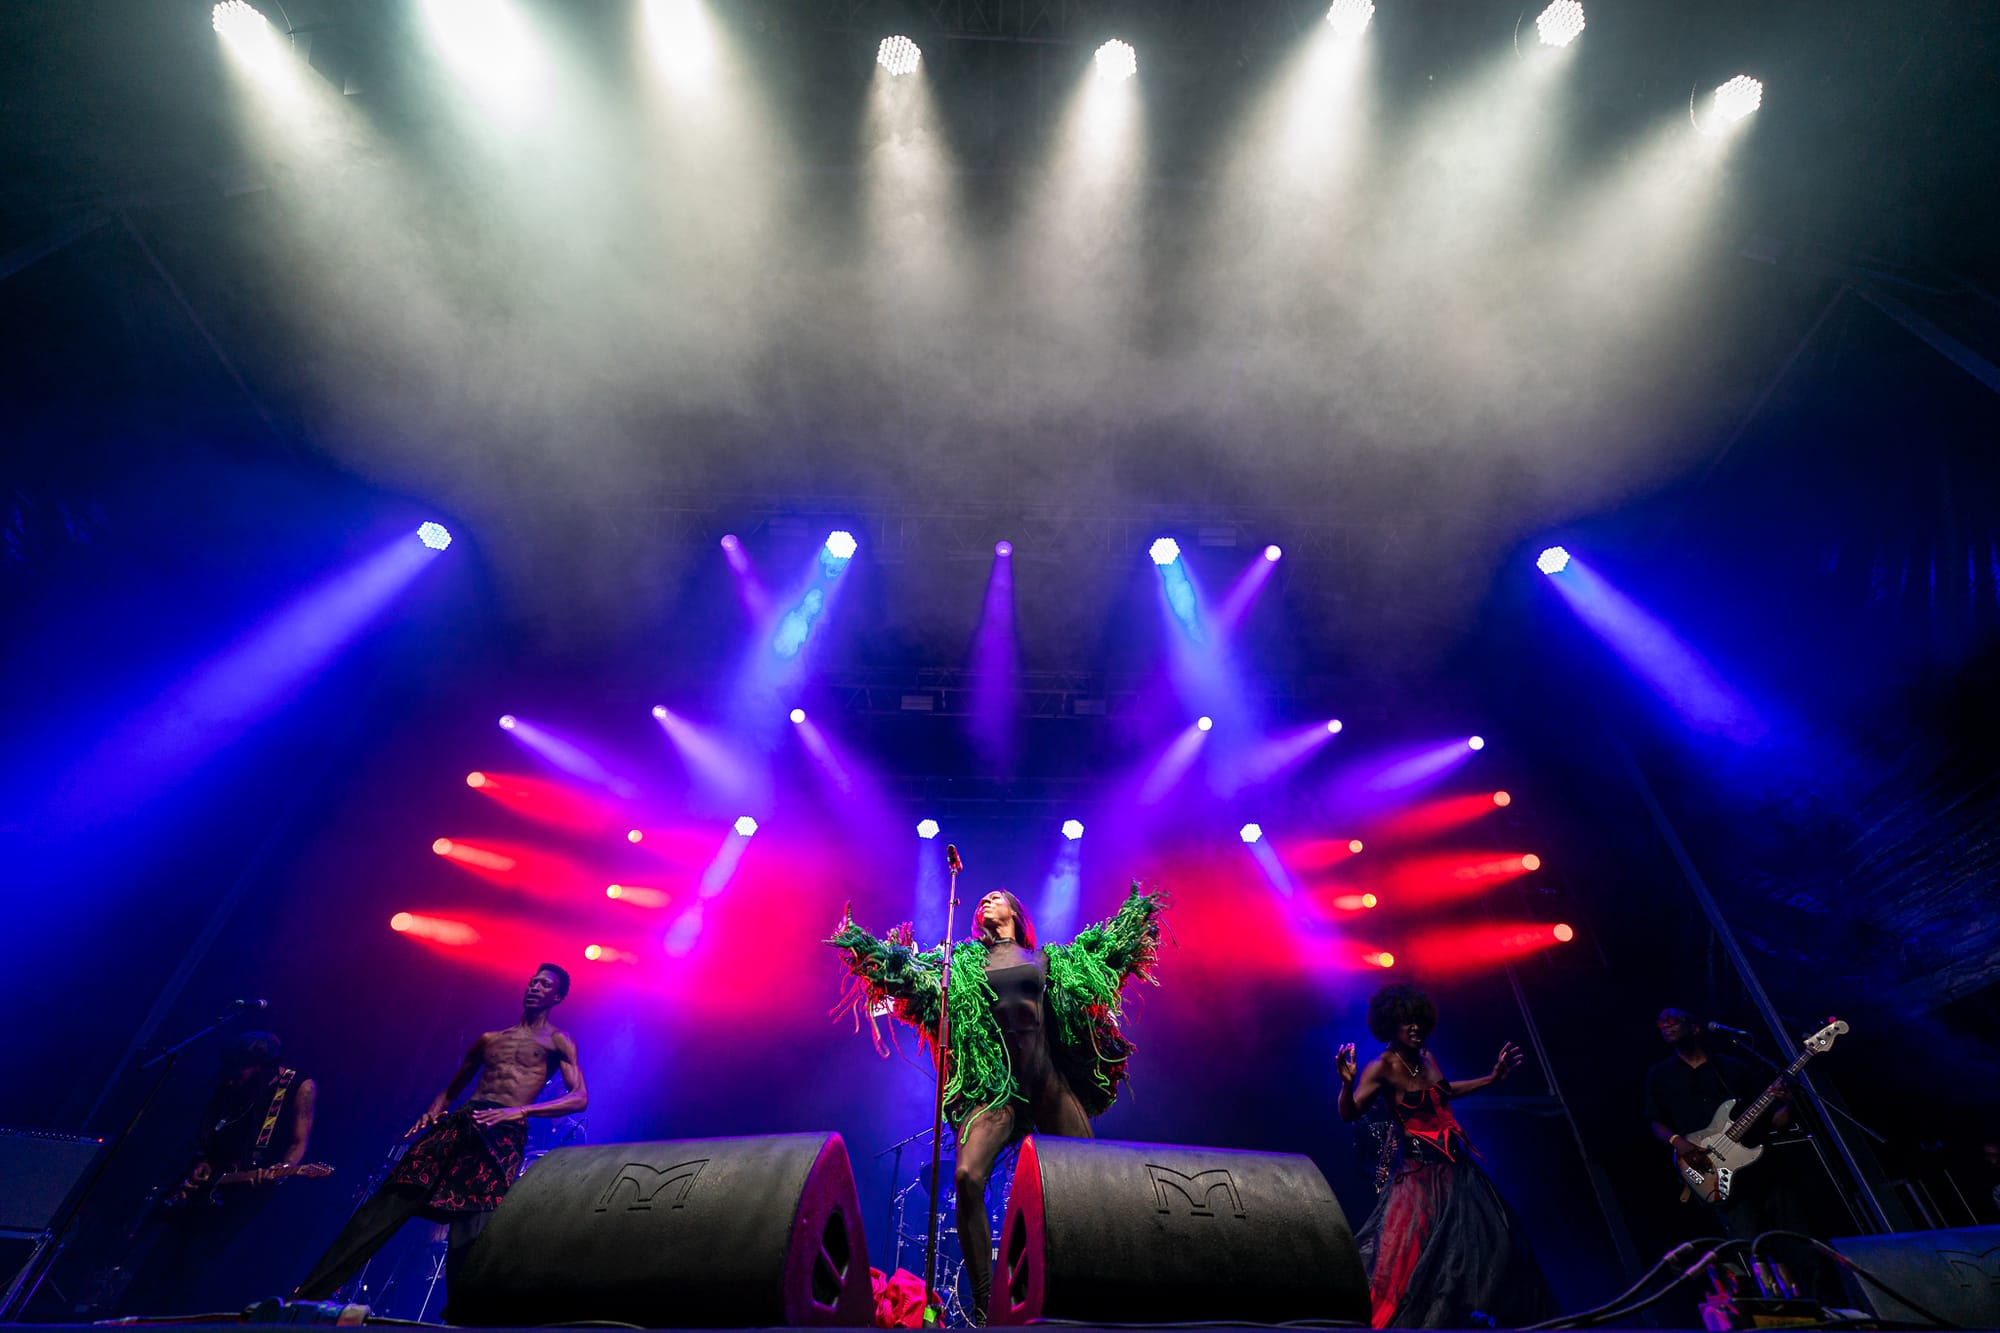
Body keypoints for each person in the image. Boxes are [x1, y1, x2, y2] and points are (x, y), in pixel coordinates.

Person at [829, 882, 1164, 1323]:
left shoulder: (1048, 960)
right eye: (981, 898)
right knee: (967, 1177)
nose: (985, 900)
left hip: (1047, 1084)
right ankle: (988, 1301)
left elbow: (1097, 966)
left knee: (1090, 1179)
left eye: (997, 896)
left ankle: (1095, 1288)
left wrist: (1130, 924)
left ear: (1016, 912)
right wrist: (893, 962)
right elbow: (910, 992)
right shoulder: (961, 962)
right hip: (997, 1090)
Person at [292, 964, 586, 1306]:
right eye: (533, 980)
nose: (534, 986)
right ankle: (308, 1296)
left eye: (544, 984)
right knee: (389, 1201)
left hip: (501, 1133)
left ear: (557, 996)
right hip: (461, 1123)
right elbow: (451, 1089)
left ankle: (465, 1318)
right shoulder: (490, 1039)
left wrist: (519, 1111)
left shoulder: (557, 1041)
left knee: (473, 1228)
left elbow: (579, 1097)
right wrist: (432, 1111)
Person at [1337, 983, 1553, 1329]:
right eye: (1406, 1022)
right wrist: (1347, 1084)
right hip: (1419, 1177)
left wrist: (1492, 1078)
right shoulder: (1381, 1067)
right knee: (1413, 1262)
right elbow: (1349, 1114)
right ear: (1391, 1024)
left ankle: (1478, 1321)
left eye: (1418, 1021)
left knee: (1494, 1245)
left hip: (1457, 1172)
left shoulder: (1427, 1058)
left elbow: (1444, 1093)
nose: (1414, 1028)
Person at [119, 1031, 318, 1314]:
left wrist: (281, 1170)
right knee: (161, 1257)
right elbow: (212, 1125)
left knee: (200, 1263)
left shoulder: (299, 1085)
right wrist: (202, 1160)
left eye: (244, 1069)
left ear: (265, 1066)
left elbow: (299, 1141)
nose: (236, 1075)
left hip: (248, 1190)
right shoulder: (233, 1082)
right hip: (210, 1181)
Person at [1645, 1008, 1823, 1267]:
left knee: (1799, 1244)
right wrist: (1679, 1143)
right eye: (1661, 1024)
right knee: (1756, 1254)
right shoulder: (1660, 1076)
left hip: (1765, 1170)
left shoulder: (1732, 1067)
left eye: (1673, 1021)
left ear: (1694, 1028)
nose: (1666, 1026)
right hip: (1720, 1179)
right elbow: (1655, 1123)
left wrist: (1788, 1104)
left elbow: (1775, 1121)